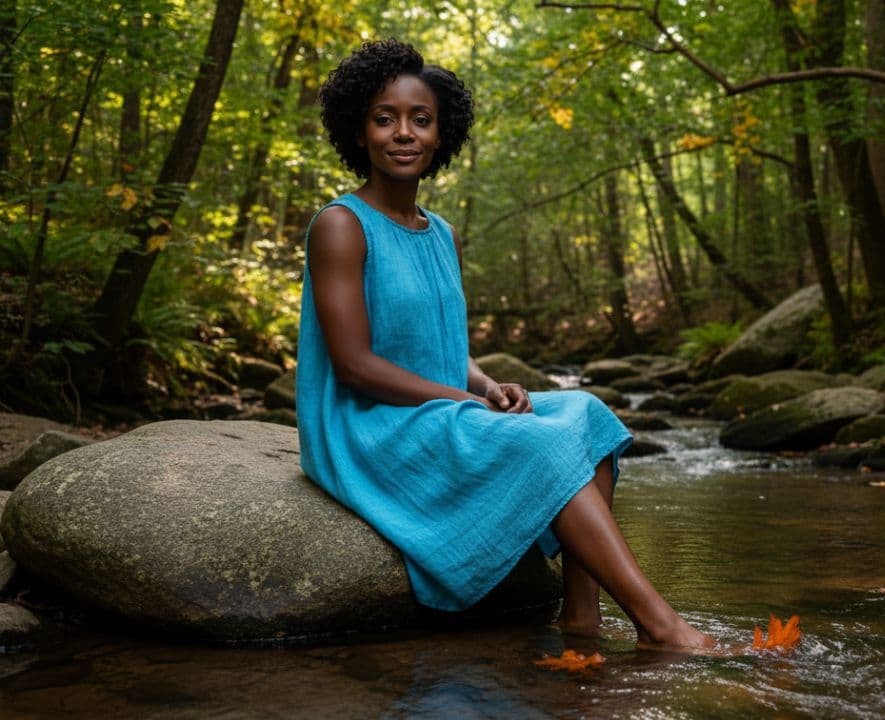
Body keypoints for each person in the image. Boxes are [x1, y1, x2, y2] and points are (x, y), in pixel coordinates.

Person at [296, 39, 713, 651]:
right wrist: (463, 403)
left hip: (438, 408)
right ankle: (661, 625)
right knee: (541, 444)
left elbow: (441, 348)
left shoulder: (442, 234)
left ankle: (582, 616)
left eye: (421, 119)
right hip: (371, 427)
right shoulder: (341, 225)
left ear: (442, 134)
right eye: (385, 119)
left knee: (588, 417)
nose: (403, 133)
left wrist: (488, 385)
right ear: (358, 132)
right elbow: (356, 367)